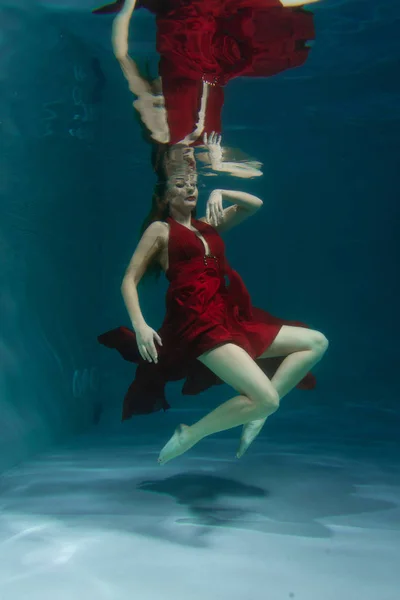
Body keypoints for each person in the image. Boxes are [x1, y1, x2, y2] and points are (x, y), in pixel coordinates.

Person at [98, 157, 328, 464]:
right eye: (180, 185)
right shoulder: (159, 230)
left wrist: (222, 190)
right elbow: (129, 279)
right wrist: (140, 325)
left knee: (316, 342)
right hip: (198, 325)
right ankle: (191, 434)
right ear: (166, 197)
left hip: (229, 316)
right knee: (267, 400)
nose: (190, 188)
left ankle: (257, 415)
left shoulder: (209, 224)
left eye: (193, 184)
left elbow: (254, 203)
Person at [93, 0, 317, 178]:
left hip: (188, 40)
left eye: (180, 181)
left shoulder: (161, 132)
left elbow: (122, 57)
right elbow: (256, 170)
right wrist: (217, 162)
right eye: (191, 182)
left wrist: (127, 7)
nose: (189, 179)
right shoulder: (204, 151)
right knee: (280, 37)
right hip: (220, 50)